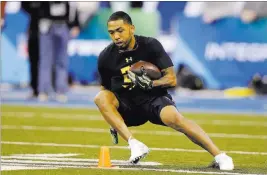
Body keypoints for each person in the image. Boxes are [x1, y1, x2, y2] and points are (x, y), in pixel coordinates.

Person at [94, 11, 234, 170]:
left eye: (120, 30)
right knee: (100, 97)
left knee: (175, 119)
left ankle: (221, 156)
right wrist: (112, 118)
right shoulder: (106, 56)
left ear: (131, 28)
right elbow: (105, 89)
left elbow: (171, 79)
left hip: (153, 98)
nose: (116, 36)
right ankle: (134, 144)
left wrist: (150, 84)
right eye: (112, 33)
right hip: (129, 105)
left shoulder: (150, 45)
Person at [37, 2, 80, 102]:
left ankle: (61, 90)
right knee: (45, 60)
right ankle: (44, 90)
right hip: (46, 24)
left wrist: (75, 23)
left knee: (62, 60)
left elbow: (73, 5)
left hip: (63, 24)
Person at [21, 2, 42, 98]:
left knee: (47, 62)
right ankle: (35, 88)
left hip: (47, 32)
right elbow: (24, 5)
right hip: (34, 31)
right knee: (33, 61)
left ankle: (46, 88)